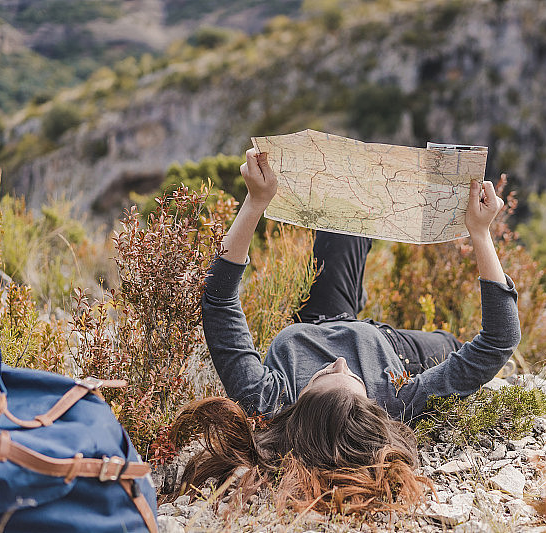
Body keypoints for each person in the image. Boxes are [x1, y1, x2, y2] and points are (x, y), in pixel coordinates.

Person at [172, 148, 521, 514]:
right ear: (373, 406)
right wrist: (481, 233)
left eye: (322, 375)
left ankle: (354, 291)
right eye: (353, 377)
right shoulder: (395, 402)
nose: (339, 362)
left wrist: (255, 202)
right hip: (394, 350)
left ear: (297, 407)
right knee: (451, 345)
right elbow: (497, 341)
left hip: (323, 316)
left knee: (343, 218)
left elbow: (219, 299)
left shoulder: (266, 400)